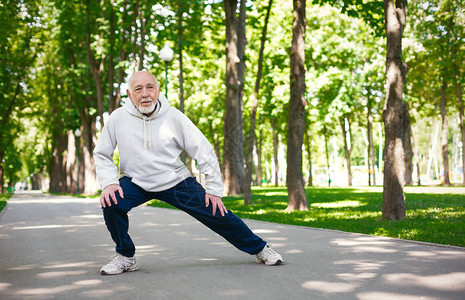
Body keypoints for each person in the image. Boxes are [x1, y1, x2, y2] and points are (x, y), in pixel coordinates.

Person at [94, 70, 283, 275]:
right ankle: (125, 256)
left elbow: (203, 150)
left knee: (216, 211)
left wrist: (213, 189)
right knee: (111, 201)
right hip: (136, 180)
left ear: (158, 90)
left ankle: (260, 248)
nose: (145, 93)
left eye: (150, 87)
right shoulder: (117, 118)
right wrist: (109, 183)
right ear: (130, 95)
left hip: (174, 180)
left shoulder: (174, 116)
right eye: (138, 89)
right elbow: (102, 153)